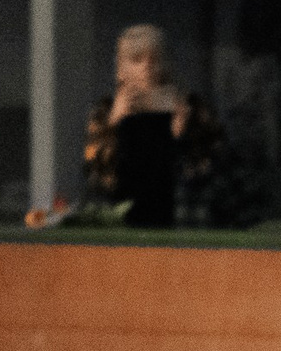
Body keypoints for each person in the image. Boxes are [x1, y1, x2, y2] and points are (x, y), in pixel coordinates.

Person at [84, 24, 220, 229]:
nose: (147, 67)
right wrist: (114, 123)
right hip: (120, 219)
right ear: (121, 69)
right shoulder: (106, 110)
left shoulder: (189, 107)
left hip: (177, 218)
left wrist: (180, 134)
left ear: (166, 64)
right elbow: (95, 175)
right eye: (137, 59)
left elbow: (206, 171)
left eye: (155, 59)